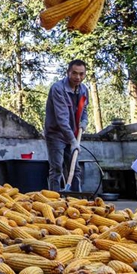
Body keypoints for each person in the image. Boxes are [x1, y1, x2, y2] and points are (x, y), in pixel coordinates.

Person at [44, 59, 89, 193]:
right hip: (56, 133)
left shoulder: (84, 90)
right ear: (68, 72)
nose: (78, 77)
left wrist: (84, 121)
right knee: (57, 168)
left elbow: (84, 110)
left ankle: (77, 200)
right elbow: (62, 119)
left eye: (81, 74)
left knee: (75, 169)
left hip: (73, 133)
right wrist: (73, 141)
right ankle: (55, 199)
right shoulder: (58, 89)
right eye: (74, 73)